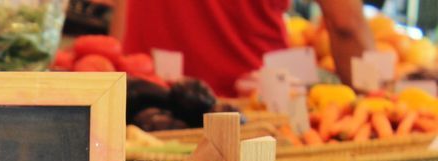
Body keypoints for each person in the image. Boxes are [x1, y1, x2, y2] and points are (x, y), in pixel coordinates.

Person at [112, 0, 374, 97]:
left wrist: (118, 76)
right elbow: (345, 22)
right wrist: (376, 99)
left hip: (146, 97)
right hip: (248, 106)